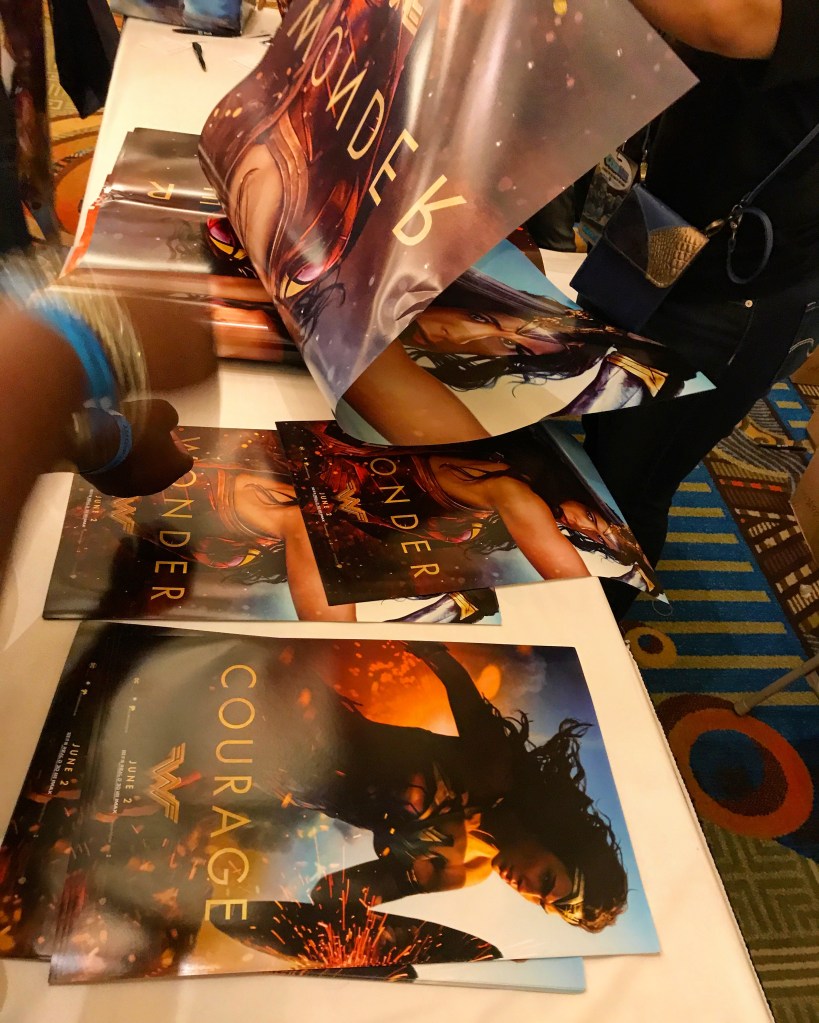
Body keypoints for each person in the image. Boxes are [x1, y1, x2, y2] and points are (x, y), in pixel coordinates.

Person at [580, 0, 819, 618]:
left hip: (738, 281)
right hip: (659, 222)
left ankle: (600, 623)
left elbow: (728, 20)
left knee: (629, 486)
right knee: (584, 420)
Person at [214, 640, 628, 959]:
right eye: (546, 879)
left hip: (270, 774)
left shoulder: (465, 871)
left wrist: (377, 941)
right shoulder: (493, 773)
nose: (527, 889)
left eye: (539, 901)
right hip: (291, 708)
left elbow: (333, 891)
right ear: (558, 844)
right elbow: (450, 674)